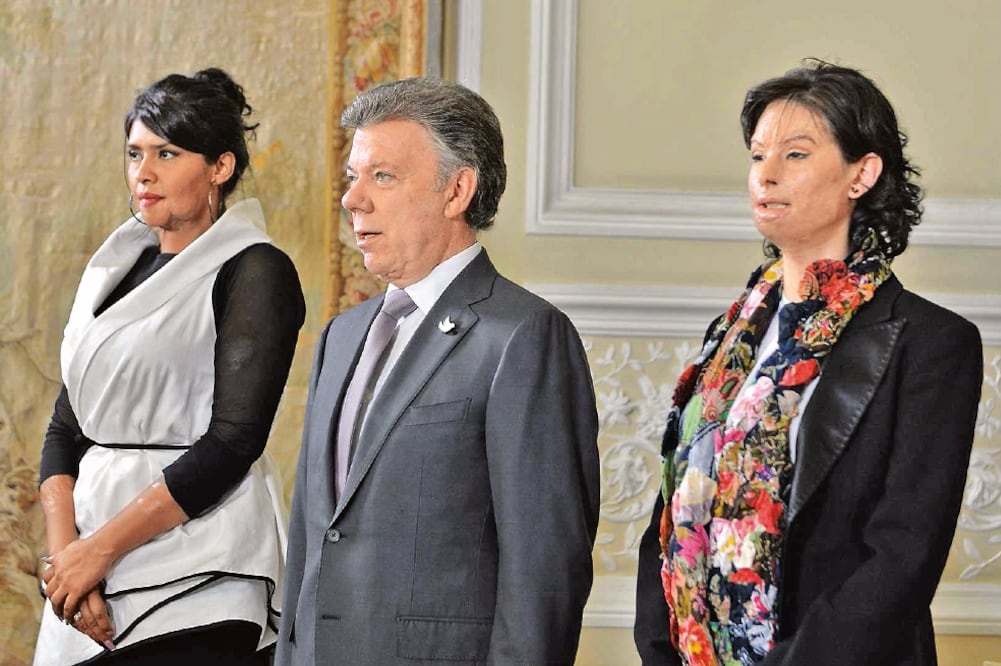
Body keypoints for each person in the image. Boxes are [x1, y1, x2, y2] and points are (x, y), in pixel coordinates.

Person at [634, 60, 983, 665]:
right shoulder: (732, 335)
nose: (765, 175)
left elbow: (902, 555)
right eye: (756, 155)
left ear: (862, 174)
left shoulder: (931, 342)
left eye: (795, 155)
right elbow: (672, 511)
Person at [276, 77, 600, 665]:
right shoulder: (340, 337)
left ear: (457, 190)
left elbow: (544, 575)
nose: (352, 199)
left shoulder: (525, 338)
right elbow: (309, 539)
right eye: (354, 176)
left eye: (382, 176)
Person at [35, 68, 305, 665]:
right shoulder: (111, 272)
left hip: (202, 568)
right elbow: (66, 428)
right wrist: (67, 561)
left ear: (220, 167)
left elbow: (234, 442)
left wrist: (100, 551)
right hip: (82, 576)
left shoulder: (255, 269)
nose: (143, 172)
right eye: (134, 153)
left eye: (167, 152)